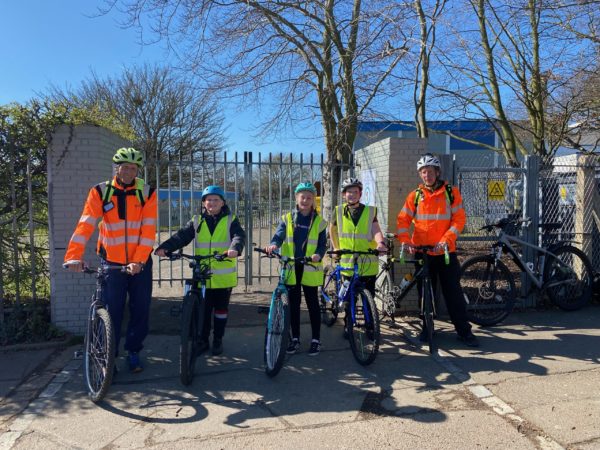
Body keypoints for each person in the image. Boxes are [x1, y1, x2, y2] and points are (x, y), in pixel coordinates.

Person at [64, 147, 157, 373]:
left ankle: (133, 352)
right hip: (111, 263)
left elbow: (148, 231)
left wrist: (138, 262)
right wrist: (74, 255)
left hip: (139, 264)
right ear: (116, 168)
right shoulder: (101, 191)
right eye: (124, 167)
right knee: (111, 311)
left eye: (133, 168)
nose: (128, 172)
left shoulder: (146, 192)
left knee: (140, 310)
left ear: (138, 170)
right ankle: (108, 356)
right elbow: (86, 223)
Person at [396, 153, 479, 347]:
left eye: (430, 171)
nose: (427, 175)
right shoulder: (415, 196)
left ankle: (464, 331)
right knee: (425, 293)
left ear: (437, 172)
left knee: (454, 293)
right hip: (422, 252)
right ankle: (427, 328)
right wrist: (406, 240)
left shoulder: (451, 193)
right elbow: (403, 220)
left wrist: (445, 239)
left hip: (445, 252)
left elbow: (459, 220)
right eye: (423, 172)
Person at [155, 185, 246, 356]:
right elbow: (182, 236)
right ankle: (202, 340)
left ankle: (218, 340)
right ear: (203, 203)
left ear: (222, 203)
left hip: (222, 276)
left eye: (216, 200)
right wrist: (165, 248)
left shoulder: (230, 219)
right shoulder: (197, 220)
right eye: (208, 200)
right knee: (202, 310)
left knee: (220, 311)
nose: (212, 203)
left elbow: (239, 236)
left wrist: (235, 247)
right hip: (201, 273)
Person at [265, 182, 328, 356]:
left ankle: (316, 339)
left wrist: (318, 254)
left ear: (313, 200)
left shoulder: (320, 222)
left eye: (309, 197)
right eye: (303, 196)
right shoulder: (287, 218)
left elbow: (323, 244)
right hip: (292, 266)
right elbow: (279, 235)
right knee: (293, 305)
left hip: (310, 266)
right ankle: (295, 338)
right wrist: (273, 245)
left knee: (312, 303)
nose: (306, 200)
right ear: (296, 198)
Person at [329, 177, 387, 337]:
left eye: (355, 192)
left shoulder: (369, 211)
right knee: (349, 297)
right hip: (347, 261)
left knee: (369, 297)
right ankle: (348, 324)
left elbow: (375, 229)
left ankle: (370, 325)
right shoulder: (339, 211)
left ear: (360, 194)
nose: (352, 195)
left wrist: (380, 243)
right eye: (349, 192)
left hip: (367, 261)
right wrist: (336, 248)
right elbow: (332, 229)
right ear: (343, 194)